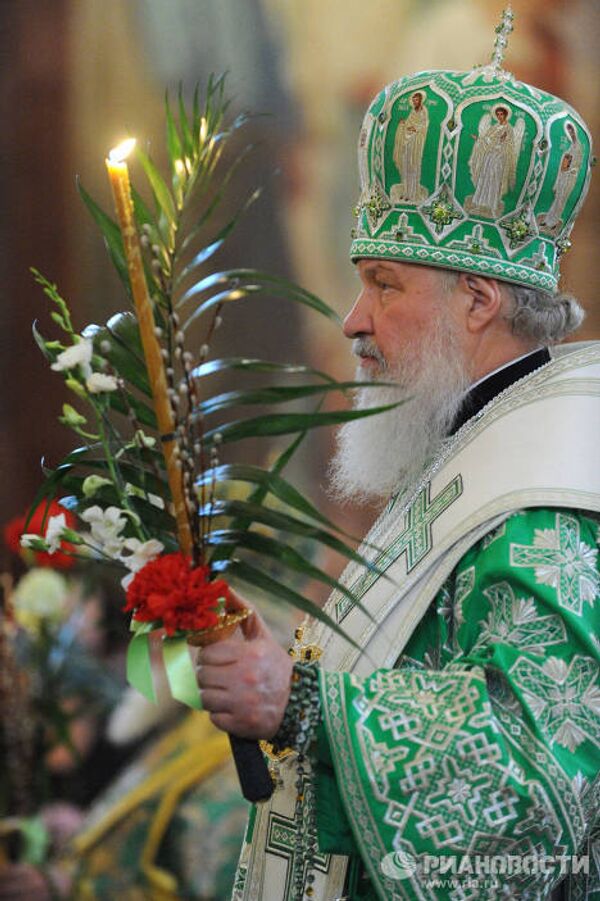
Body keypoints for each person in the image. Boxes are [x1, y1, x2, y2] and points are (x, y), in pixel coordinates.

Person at [196, 12, 599, 901]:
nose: (352, 319)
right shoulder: (475, 441)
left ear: (478, 301)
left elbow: (534, 789)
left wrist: (298, 703)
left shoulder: (549, 497)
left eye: (383, 283)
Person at [466, 105, 520, 218]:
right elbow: (487, 138)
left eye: (501, 114)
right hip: (489, 156)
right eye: (498, 114)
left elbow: (509, 145)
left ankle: (491, 204)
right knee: (484, 177)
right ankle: (480, 202)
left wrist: (500, 143)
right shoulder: (495, 126)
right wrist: (479, 139)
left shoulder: (508, 128)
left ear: (505, 115)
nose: (499, 116)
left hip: (499, 158)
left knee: (494, 179)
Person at [392, 91, 429, 204]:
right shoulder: (413, 111)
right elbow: (409, 122)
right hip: (407, 142)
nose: (414, 102)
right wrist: (404, 123)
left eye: (416, 100)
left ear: (421, 100)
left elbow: (424, 126)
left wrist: (416, 129)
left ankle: (412, 193)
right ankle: (406, 192)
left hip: (416, 144)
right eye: (413, 100)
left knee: (413, 167)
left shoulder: (423, 112)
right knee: (406, 166)